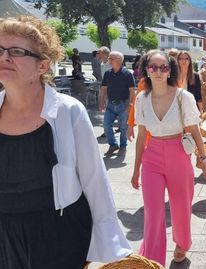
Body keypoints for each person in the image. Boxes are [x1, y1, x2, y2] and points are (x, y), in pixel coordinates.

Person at [0, 15, 132, 268]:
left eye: (16, 51)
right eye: (0, 49)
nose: (5, 56)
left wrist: (102, 246)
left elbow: (95, 182)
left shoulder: (68, 111)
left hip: (59, 235)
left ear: (43, 66)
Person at [131, 50, 206, 266]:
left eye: (163, 67)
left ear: (170, 70)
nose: (158, 71)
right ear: (146, 70)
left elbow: (195, 131)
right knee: (153, 212)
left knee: (181, 205)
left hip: (178, 153)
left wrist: (204, 161)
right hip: (152, 157)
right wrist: (136, 170)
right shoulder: (141, 99)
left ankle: (182, 243)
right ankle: (153, 260)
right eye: (153, 67)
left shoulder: (183, 97)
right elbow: (140, 138)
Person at [98, 51, 135, 156]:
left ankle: (123, 147)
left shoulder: (127, 74)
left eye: (111, 59)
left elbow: (132, 91)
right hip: (110, 105)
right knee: (106, 125)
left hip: (123, 105)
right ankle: (113, 144)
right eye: (109, 58)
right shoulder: (107, 73)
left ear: (119, 60)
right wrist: (101, 102)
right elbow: (104, 89)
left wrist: (131, 105)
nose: (109, 60)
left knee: (123, 127)